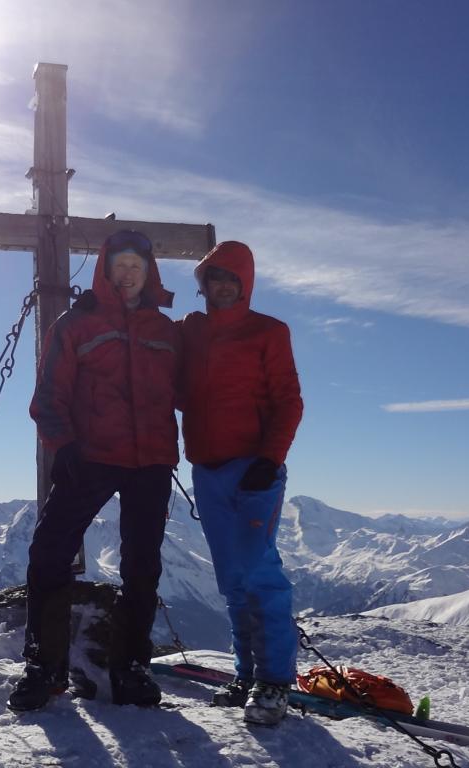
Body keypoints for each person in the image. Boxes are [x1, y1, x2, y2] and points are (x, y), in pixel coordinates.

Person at [7, 229, 180, 712]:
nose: (128, 274)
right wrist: (64, 448)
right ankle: (44, 668)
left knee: (142, 565)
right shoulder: (77, 323)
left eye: (136, 266)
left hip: (152, 462)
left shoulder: (167, 331)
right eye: (120, 265)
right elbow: (49, 394)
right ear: (106, 269)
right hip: (91, 457)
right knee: (50, 553)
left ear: (149, 273)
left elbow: (191, 391)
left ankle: (131, 668)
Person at [178, 240, 304, 726]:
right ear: (204, 283)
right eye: (215, 277)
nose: (224, 285)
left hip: (255, 469)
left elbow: (289, 400)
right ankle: (247, 675)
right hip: (207, 469)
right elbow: (151, 346)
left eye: (232, 278)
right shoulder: (191, 330)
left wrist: (270, 459)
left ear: (246, 283)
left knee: (258, 572)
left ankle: (274, 682)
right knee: (232, 578)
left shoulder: (269, 331)